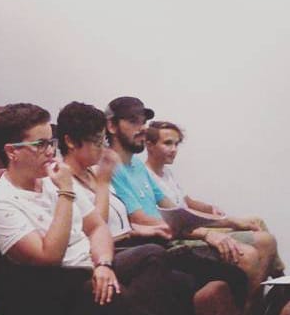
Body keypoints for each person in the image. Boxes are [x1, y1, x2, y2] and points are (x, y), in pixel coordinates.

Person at [0, 103, 192, 315]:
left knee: (174, 275)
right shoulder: (1, 202)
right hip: (60, 284)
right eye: (41, 145)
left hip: (93, 265)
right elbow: (49, 256)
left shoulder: (50, 180)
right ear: (12, 151)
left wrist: (104, 264)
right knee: (156, 284)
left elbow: (97, 227)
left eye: (51, 142)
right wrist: (66, 193)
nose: (50, 152)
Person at [106, 98, 278, 296]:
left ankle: (272, 302)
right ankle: (255, 313)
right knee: (247, 255)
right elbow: (141, 220)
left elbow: (175, 210)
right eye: (133, 121)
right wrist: (205, 233)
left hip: (174, 235)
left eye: (143, 122)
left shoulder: (137, 165)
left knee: (262, 239)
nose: (142, 128)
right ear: (112, 126)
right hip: (159, 243)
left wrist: (227, 222)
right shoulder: (110, 166)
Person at [143, 118, 283, 291]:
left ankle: (279, 281)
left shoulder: (166, 173)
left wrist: (209, 208)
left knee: (256, 220)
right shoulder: (146, 177)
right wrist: (225, 222)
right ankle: (271, 291)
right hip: (184, 234)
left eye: (176, 144)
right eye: (168, 143)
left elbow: (187, 202)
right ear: (149, 145)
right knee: (265, 241)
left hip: (192, 225)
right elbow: (174, 219)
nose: (174, 149)